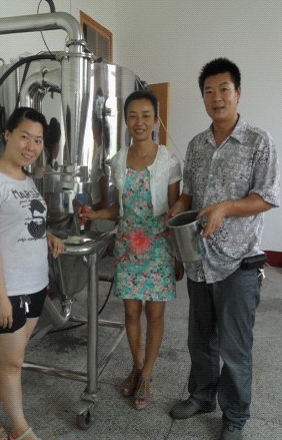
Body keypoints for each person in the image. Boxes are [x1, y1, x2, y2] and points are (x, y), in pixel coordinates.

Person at [166, 58, 280, 440]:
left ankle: (234, 416)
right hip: (199, 260)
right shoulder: (197, 145)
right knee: (200, 340)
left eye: (223, 90)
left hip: (238, 262)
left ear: (238, 93)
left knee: (235, 347)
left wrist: (226, 208)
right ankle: (201, 396)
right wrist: (179, 206)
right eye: (209, 91)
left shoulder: (258, 142)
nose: (216, 98)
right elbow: (189, 194)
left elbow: (266, 197)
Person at [83, 90, 183, 410]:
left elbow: (175, 211)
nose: (139, 122)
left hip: (158, 246)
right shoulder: (118, 161)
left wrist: (178, 255)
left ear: (155, 120)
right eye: (133, 116)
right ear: (126, 121)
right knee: (130, 312)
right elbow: (117, 208)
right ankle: (137, 366)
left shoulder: (169, 161)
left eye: (146, 116)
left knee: (155, 313)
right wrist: (94, 214)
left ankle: (148, 374)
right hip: (128, 246)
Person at [0, 106, 65, 440]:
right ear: (8, 134)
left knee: (9, 358)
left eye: (38, 140)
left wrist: (48, 234)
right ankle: (21, 429)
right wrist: (0, 297)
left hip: (34, 285)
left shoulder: (26, 180)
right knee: (13, 362)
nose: (31, 146)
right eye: (25, 136)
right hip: (5, 290)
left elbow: (23, 222)